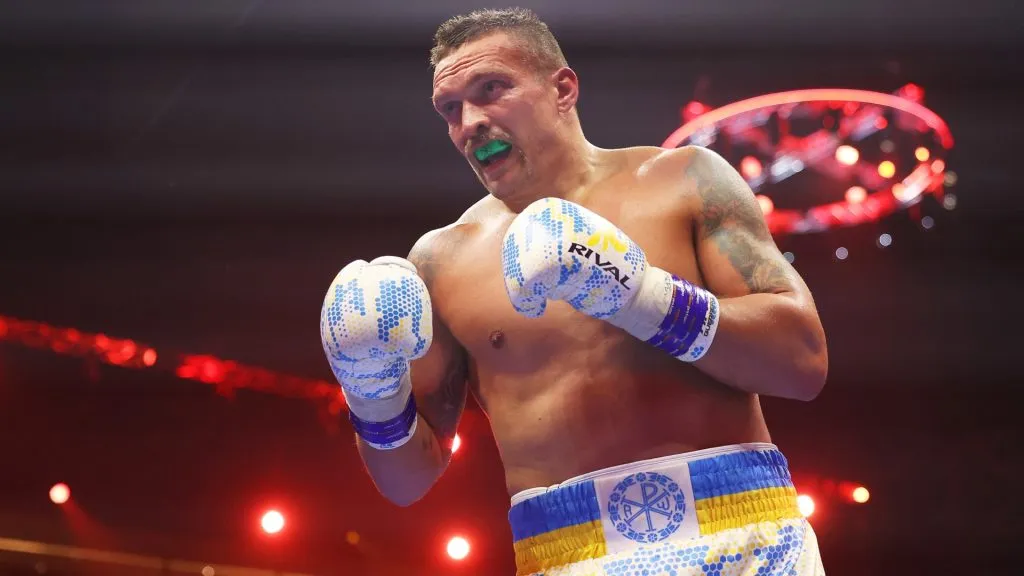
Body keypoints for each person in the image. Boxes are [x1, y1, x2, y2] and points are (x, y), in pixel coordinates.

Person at [320, 8, 828, 575]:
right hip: (566, 553)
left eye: (491, 90)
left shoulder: (683, 181)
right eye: (451, 109)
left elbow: (803, 364)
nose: (470, 122)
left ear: (562, 88)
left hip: (747, 536)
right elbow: (407, 484)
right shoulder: (440, 262)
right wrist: (372, 395)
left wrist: (640, 295)